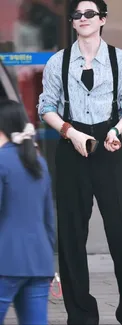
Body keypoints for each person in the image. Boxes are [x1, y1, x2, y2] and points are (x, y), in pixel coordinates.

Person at [37, 1, 122, 324]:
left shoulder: (121, 60)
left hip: (109, 148)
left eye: (89, 14)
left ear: (102, 19)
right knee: (71, 237)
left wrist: (116, 130)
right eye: (77, 15)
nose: (83, 19)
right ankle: (82, 315)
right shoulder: (59, 62)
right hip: (71, 147)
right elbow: (47, 107)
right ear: (72, 23)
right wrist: (70, 133)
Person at [0, 99, 55, 325]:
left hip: (6, 260)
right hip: (40, 262)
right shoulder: (38, 162)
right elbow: (49, 220)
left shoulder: (2, 161)